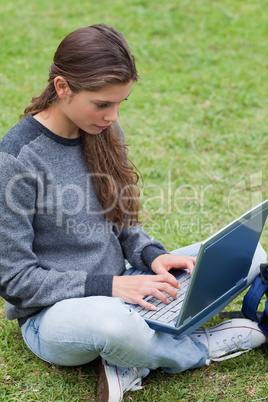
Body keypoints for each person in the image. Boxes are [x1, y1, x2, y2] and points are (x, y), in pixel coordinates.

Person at [0, 24, 266, 402]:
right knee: (111, 325)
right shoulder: (15, 160)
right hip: (56, 316)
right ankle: (197, 348)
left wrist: (154, 257)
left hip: (127, 287)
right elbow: (15, 280)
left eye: (120, 102)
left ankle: (131, 358)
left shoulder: (103, 130)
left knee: (251, 255)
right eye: (102, 103)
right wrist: (109, 287)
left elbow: (123, 222)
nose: (112, 115)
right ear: (62, 88)